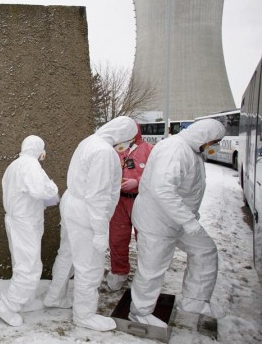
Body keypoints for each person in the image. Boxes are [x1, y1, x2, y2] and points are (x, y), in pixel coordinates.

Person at [129, 118, 227, 328]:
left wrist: (188, 217)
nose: (216, 146)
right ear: (205, 137)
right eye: (216, 141)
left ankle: (195, 300)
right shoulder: (175, 149)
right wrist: (188, 220)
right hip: (157, 221)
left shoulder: (192, 150)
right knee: (153, 267)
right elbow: (162, 189)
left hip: (178, 219)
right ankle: (140, 312)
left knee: (205, 250)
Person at [43, 116, 137, 331]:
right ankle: (84, 315)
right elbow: (98, 196)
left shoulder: (89, 141)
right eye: (129, 139)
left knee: (67, 254)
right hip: (87, 211)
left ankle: (54, 295)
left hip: (72, 203)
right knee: (89, 265)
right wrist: (100, 230)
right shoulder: (104, 152)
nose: (128, 145)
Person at [0, 135, 59, 327]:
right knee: (29, 266)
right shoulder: (31, 165)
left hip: (18, 219)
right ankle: (7, 304)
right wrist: (52, 188)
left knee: (21, 262)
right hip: (25, 221)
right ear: (39, 149)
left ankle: (24, 300)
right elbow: (40, 191)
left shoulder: (15, 165)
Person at [105, 124, 154, 291]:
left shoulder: (150, 150)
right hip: (119, 201)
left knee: (146, 239)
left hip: (141, 201)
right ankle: (119, 272)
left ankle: (146, 276)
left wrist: (138, 182)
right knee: (117, 238)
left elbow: (157, 176)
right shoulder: (116, 150)